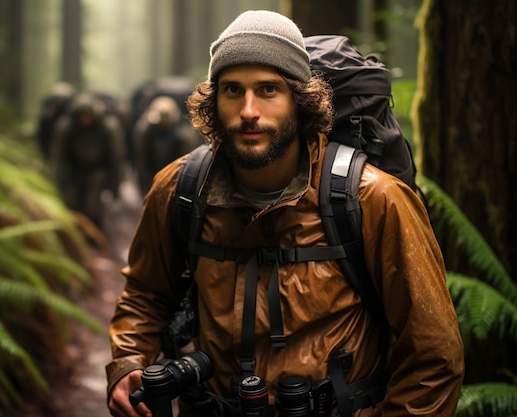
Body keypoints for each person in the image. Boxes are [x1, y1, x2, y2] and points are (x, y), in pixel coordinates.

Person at [106, 10, 464, 417]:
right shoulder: (180, 189)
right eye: (232, 90)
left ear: (301, 99)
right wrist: (128, 363)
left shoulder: (372, 198)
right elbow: (146, 294)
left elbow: (433, 354)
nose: (248, 110)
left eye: (269, 89)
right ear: (213, 101)